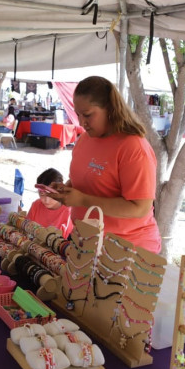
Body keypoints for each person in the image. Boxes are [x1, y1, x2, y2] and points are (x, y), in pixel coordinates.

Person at [48, 76, 161, 253]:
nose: (81, 122)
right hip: (86, 242)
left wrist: (83, 200)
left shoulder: (133, 147)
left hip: (124, 249)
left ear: (109, 109)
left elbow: (140, 207)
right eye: (77, 114)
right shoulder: (84, 140)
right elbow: (83, 181)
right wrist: (65, 190)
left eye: (87, 115)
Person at [27, 168, 73, 237]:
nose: (46, 200)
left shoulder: (69, 212)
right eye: (42, 194)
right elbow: (26, 228)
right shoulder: (36, 205)